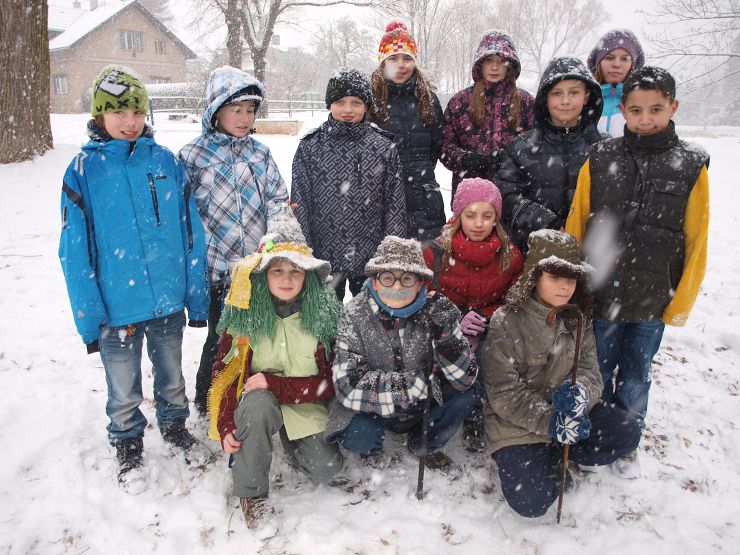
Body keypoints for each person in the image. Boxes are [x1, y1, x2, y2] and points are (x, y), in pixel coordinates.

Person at [59, 65, 210, 493]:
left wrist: (195, 296)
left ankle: (175, 425)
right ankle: (126, 440)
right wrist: (90, 316)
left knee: (172, 375)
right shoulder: (83, 170)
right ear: (99, 115)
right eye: (119, 112)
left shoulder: (164, 162)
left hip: (166, 299)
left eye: (137, 112)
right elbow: (74, 249)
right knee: (123, 386)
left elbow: (190, 232)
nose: (130, 122)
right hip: (116, 308)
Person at [565, 66, 710, 428]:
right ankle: (592, 429)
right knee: (595, 369)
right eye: (635, 110)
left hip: (653, 298)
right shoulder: (600, 157)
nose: (645, 119)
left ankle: (626, 432)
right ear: (622, 110)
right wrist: (571, 283)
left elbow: (697, 240)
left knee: (635, 376)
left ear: (673, 107)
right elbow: (576, 223)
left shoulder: (691, 165)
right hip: (601, 291)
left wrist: (680, 302)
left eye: (655, 109)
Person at [481, 230, 642, 518]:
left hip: (570, 414)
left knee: (626, 431)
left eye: (571, 278)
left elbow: (591, 371)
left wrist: (581, 395)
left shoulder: (578, 317)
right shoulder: (506, 322)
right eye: (555, 277)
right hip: (518, 424)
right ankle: (551, 457)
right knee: (531, 503)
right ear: (535, 277)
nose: (565, 286)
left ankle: (568, 451)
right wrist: (551, 422)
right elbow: (504, 394)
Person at [207, 207, 344, 530]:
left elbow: (332, 381)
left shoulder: (326, 315)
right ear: (263, 274)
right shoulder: (243, 314)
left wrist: (276, 384)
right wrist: (226, 424)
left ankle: (292, 444)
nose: (286, 279)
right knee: (256, 406)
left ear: (308, 275)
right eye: (277, 270)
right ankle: (252, 493)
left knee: (327, 468)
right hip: (259, 402)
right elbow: (225, 374)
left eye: (296, 271)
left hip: (306, 401)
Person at [179, 66, 289, 416]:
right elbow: (189, 214)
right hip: (219, 270)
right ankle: (208, 397)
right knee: (221, 337)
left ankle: (249, 392)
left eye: (250, 110)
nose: (244, 118)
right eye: (236, 110)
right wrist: (220, 259)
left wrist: (270, 246)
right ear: (215, 111)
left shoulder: (260, 154)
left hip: (258, 266)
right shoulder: (193, 156)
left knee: (259, 334)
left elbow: (277, 199)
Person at [326, 236, 477, 469]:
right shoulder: (354, 313)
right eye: (387, 277)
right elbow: (348, 386)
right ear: (375, 281)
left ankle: (423, 442)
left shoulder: (436, 310)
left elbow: (465, 378)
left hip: (423, 404)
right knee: (359, 434)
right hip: (374, 405)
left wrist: (445, 334)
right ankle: (372, 447)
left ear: (420, 283)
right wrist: (414, 385)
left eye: (407, 278)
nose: (397, 287)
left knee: (463, 398)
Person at [422, 178, 523, 451]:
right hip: (445, 327)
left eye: (487, 216)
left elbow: (514, 297)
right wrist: (456, 318)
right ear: (458, 216)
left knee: (489, 360)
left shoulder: (509, 255)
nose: (479, 224)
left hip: (490, 328)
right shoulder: (436, 253)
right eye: (470, 215)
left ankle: (476, 414)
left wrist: (487, 316)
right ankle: (438, 416)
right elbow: (424, 296)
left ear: (496, 219)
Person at [292, 69, 407, 301]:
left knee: (369, 316)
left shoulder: (382, 146)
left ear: (366, 106)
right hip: (324, 253)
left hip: (370, 252)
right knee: (325, 317)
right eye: (340, 102)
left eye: (356, 102)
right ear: (329, 104)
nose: (348, 109)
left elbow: (395, 203)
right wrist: (305, 250)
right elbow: (300, 201)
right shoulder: (310, 147)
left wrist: (391, 251)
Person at [495, 57, 606, 252]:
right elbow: (506, 195)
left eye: (574, 92)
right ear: (546, 98)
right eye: (557, 93)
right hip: (536, 250)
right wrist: (547, 222)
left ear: (586, 96)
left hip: (591, 252)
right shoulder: (521, 147)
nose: (565, 101)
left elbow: (614, 202)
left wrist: (584, 225)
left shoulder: (604, 148)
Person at [369, 21, 446, 241]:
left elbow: (436, 145)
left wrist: (419, 172)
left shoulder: (428, 100)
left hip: (424, 201)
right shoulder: (370, 100)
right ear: (383, 62)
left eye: (407, 58)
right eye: (393, 58)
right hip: (380, 198)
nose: (401, 65)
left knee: (427, 259)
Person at [441, 30, 535, 202]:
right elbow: (444, 147)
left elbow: (538, 147)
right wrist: (467, 159)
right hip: (470, 198)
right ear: (480, 64)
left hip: (514, 196)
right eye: (489, 60)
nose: (494, 67)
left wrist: (511, 159)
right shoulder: (460, 102)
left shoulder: (526, 102)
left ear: (510, 65)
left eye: (501, 61)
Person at [587, 29, 645, 137]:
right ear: (598, 63)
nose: (616, 64)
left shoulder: (644, 104)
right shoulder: (583, 102)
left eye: (624, 59)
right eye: (609, 58)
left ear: (633, 65)